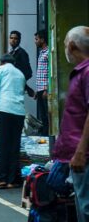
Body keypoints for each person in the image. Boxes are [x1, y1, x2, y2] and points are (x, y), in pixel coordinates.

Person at [53, 27, 89, 221]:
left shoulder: (87, 72)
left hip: (84, 156)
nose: (65, 47)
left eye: (66, 43)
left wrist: (81, 152)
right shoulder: (81, 72)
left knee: (86, 208)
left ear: (73, 45)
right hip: (79, 155)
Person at [0, 53, 26, 189]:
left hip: (4, 109)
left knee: (3, 145)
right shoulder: (20, 73)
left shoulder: (0, 69)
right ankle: (11, 180)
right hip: (19, 112)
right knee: (14, 146)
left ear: (2, 62)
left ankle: (2, 179)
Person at [9, 30, 34, 97]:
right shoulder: (10, 53)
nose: (13, 40)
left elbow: (28, 72)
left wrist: (20, 82)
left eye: (15, 38)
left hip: (17, 87)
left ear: (19, 40)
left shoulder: (22, 53)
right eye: (11, 38)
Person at [34, 29, 50, 135]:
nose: (35, 41)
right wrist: (37, 90)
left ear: (42, 39)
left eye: (37, 39)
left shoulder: (48, 53)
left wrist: (47, 89)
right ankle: (44, 134)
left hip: (45, 89)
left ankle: (47, 135)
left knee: (47, 115)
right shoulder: (41, 53)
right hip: (40, 89)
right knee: (42, 115)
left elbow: (50, 72)